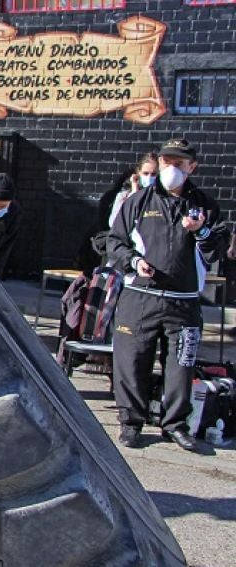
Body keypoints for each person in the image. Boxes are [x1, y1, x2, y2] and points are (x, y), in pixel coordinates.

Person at [108, 138, 227, 452]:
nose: (171, 169)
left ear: (192, 167)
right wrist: (134, 262)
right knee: (132, 361)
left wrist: (200, 231)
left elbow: (217, 251)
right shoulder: (137, 202)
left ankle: (174, 425)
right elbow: (115, 243)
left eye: (179, 163)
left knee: (180, 364)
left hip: (183, 301)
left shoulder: (206, 205)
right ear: (158, 164)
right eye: (166, 162)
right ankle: (131, 423)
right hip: (140, 297)